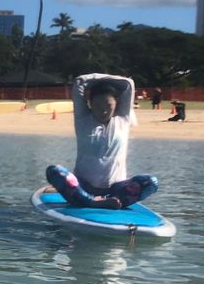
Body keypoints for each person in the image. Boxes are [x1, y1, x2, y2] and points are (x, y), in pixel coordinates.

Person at [45, 73, 156, 209]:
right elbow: (79, 82)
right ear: (90, 104)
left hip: (115, 189)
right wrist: (97, 83)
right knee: (53, 171)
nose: (103, 111)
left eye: (108, 106)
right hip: (83, 187)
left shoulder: (123, 119)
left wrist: (103, 81)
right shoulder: (83, 120)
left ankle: (107, 200)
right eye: (97, 105)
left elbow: (128, 84)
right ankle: (91, 201)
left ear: (117, 103)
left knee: (151, 182)